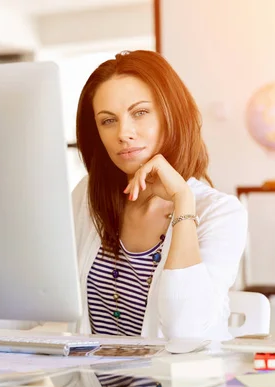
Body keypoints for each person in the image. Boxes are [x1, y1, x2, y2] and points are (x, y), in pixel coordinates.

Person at [72, 49, 247, 341]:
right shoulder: (87, 196)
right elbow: (47, 301)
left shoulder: (222, 213)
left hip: (179, 384)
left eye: (140, 113)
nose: (124, 133)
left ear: (171, 115)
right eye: (108, 120)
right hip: (91, 386)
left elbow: (185, 332)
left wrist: (183, 199)